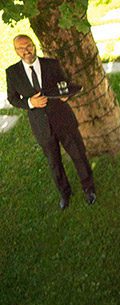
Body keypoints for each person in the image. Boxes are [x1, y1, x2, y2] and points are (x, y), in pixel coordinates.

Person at [5, 34, 96, 209]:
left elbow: (65, 85)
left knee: (78, 154)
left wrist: (65, 96)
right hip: (40, 125)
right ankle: (65, 193)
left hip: (63, 119)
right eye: (21, 48)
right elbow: (13, 98)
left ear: (34, 45)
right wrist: (31, 103)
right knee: (54, 162)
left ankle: (89, 188)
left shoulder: (51, 64)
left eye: (29, 46)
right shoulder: (12, 72)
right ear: (16, 51)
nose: (27, 51)